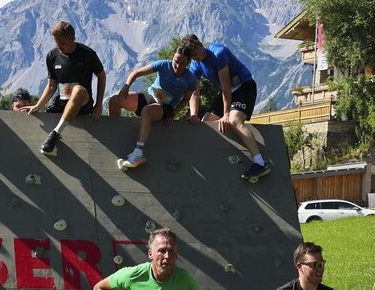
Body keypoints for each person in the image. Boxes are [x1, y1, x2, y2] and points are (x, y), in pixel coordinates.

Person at [177, 34, 270, 181]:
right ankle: (218, 161)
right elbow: (195, 92)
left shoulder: (218, 53)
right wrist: (194, 114)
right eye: (192, 57)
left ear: (201, 45)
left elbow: (226, 87)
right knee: (205, 122)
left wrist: (226, 114)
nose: (195, 58)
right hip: (227, 91)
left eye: (195, 54)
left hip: (244, 87)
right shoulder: (195, 64)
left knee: (233, 121)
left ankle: (260, 163)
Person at [13, 21, 107, 157]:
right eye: (56, 43)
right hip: (62, 101)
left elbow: (102, 76)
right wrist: (38, 105)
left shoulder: (88, 54)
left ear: (72, 39)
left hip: (83, 102)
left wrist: (98, 105)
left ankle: (55, 134)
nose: (59, 46)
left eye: (62, 43)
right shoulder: (52, 56)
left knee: (78, 90)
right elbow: (51, 85)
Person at [108, 45, 198, 171]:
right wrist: (126, 86)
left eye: (182, 63)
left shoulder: (191, 79)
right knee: (114, 101)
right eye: (176, 61)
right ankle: (114, 137)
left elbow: (185, 99)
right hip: (148, 96)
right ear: (172, 57)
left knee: (147, 111)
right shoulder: (163, 65)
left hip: (164, 107)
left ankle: (138, 153)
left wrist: (173, 113)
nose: (178, 66)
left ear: (188, 63)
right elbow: (137, 73)